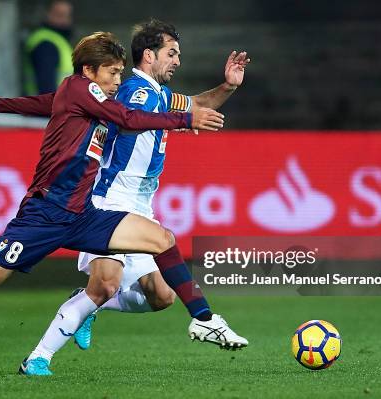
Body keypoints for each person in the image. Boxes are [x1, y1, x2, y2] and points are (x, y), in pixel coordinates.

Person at [0, 31, 227, 379]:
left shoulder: (82, 95)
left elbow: (45, 102)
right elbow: (128, 120)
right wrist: (184, 119)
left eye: (121, 72)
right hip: (45, 213)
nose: (118, 80)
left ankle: (204, 319)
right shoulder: (81, 89)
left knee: (162, 239)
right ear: (89, 71)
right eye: (113, 73)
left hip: (83, 214)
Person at [23, 19, 250, 375]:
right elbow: (131, 117)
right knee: (105, 284)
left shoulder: (157, 93)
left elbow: (194, 103)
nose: (177, 61)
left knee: (162, 296)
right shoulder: (134, 91)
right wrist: (181, 121)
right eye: (171, 53)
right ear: (148, 55)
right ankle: (38, 358)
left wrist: (228, 86)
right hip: (110, 200)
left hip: (140, 205)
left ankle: (86, 306)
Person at [24, 0, 74, 94]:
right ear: (47, 14)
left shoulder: (58, 40)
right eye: (59, 15)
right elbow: (46, 88)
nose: (64, 20)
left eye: (67, 15)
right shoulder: (46, 43)